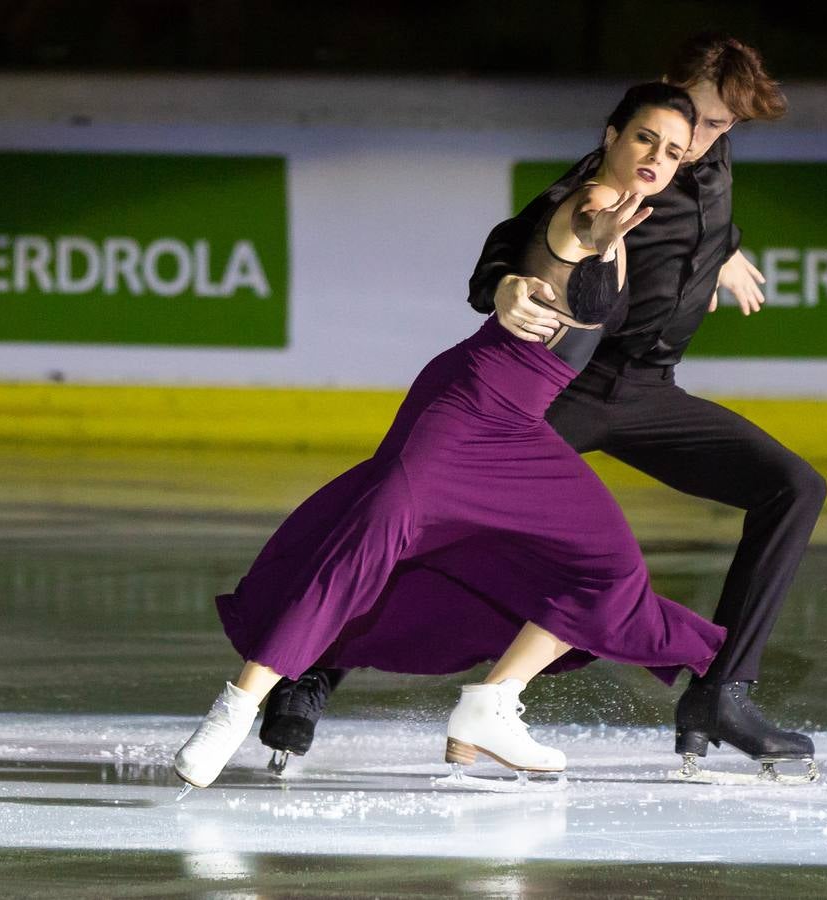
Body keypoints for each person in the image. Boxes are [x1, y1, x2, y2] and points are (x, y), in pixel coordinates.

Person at [263, 34, 824, 782]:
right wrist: (502, 285)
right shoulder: (604, 180)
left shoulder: (706, 155)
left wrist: (725, 248)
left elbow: (699, 202)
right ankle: (311, 669)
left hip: (652, 392)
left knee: (794, 486)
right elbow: (519, 238)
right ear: (661, 93)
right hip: (566, 392)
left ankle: (721, 692)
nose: (701, 144)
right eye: (699, 120)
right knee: (428, 517)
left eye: (722, 130)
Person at [172, 83, 724, 791]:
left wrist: (720, 254)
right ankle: (235, 708)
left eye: (674, 150)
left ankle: (492, 706)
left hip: (519, 426)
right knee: (367, 545)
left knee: (607, 567)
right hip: (465, 405)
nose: (657, 156)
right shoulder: (586, 206)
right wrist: (567, 254)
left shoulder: (635, 215)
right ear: (613, 134)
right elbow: (560, 252)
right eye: (646, 137)